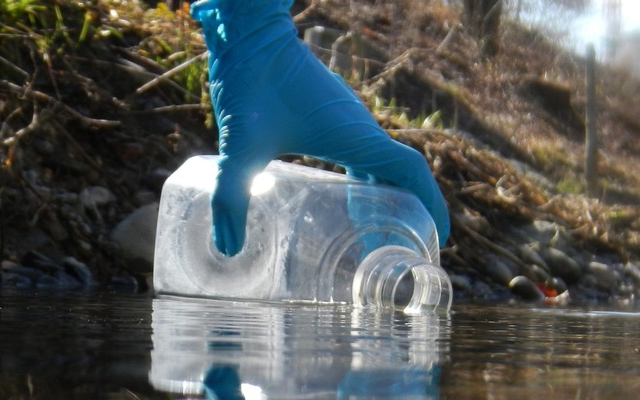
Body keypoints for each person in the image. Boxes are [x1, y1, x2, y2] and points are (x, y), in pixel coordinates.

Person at [190, 0, 451, 256]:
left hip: (272, 55)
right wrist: (254, 43)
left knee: (381, 173)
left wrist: (266, 37)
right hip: (253, 64)